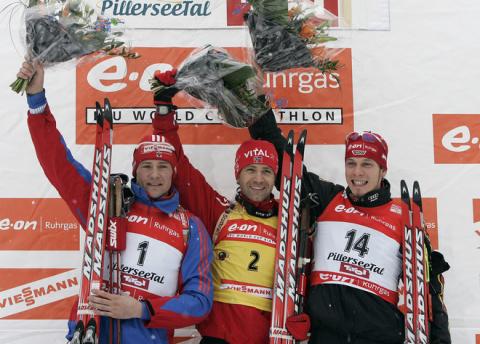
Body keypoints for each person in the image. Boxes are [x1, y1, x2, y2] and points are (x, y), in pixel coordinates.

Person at [16, 61, 213, 344]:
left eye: (163, 167)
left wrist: (141, 309)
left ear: (174, 173)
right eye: (147, 166)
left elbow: (200, 300)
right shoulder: (107, 205)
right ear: (135, 171)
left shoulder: (189, 226)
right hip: (91, 333)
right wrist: (36, 101)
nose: (154, 175)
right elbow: (59, 165)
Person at [248, 110, 452, 343]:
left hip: (379, 336)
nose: (357, 172)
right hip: (326, 335)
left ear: (383, 170)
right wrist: (254, 109)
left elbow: (428, 287)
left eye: (367, 164)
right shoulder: (327, 199)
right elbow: (288, 169)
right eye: (351, 163)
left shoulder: (404, 216)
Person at [151, 69, 282, 343]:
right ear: (237, 174)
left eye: (266, 172)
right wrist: (164, 111)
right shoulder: (220, 213)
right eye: (250, 170)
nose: (258, 179)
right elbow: (179, 170)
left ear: (275, 177)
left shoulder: (289, 220)